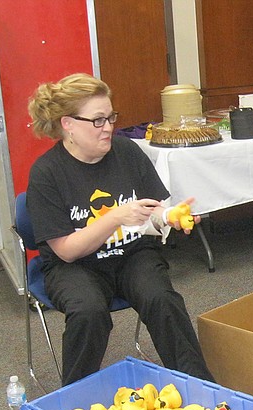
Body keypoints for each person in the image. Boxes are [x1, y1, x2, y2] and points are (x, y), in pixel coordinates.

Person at [26, 73, 214, 386]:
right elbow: (66, 250)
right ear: (67, 124)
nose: (109, 127)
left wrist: (168, 217)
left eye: (110, 117)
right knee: (88, 312)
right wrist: (114, 218)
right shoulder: (47, 173)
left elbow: (149, 213)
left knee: (162, 299)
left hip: (131, 253)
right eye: (97, 120)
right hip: (74, 266)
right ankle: (74, 402)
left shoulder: (126, 152)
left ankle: (199, 387)